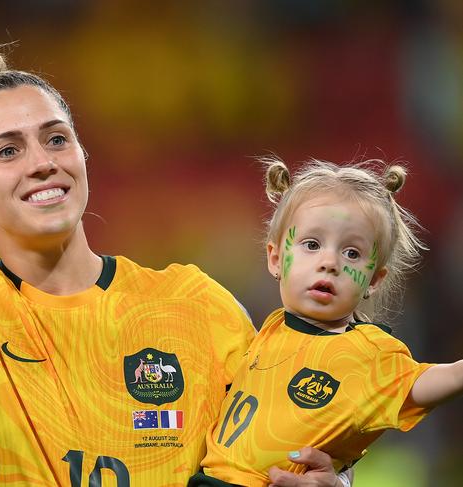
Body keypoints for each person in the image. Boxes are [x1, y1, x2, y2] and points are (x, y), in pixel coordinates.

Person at [0, 1, 349, 486]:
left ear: (82, 153)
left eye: (56, 137)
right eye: (7, 151)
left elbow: (277, 448)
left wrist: (330, 483)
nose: (42, 161)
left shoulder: (196, 301)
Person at [189, 157, 463, 486]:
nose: (330, 262)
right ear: (275, 259)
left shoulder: (368, 353)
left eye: (351, 253)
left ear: (373, 280)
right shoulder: (269, 330)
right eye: (312, 245)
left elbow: (427, 383)